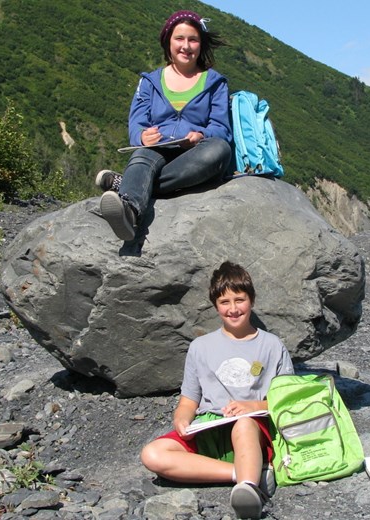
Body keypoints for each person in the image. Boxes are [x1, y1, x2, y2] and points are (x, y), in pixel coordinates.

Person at [140, 261, 294, 519]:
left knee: (243, 424)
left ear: (251, 301)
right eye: (225, 302)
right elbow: (189, 400)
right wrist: (182, 419)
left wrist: (253, 407)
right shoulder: (200, 347)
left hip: (254, 429)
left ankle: (247, 490)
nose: (233, 309)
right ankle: (244, 475)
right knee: (152, 454)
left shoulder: (272, 345)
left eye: (239, 300)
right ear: (215, 305)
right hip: (210, 426)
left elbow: (288, 399)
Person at [96, 10, 233, 241]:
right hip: (157, 148)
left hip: (195, 153)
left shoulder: (215, 82)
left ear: (201, 44)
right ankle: (129, 213)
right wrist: (142, 137)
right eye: (179, 38)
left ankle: (127, 185)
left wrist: (201, 135)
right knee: (142, 154)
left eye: (193, 39)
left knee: (220, 150)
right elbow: (136, 124)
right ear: (168, 41)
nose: (186, 46)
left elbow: (222, 129)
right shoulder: (149, 81)